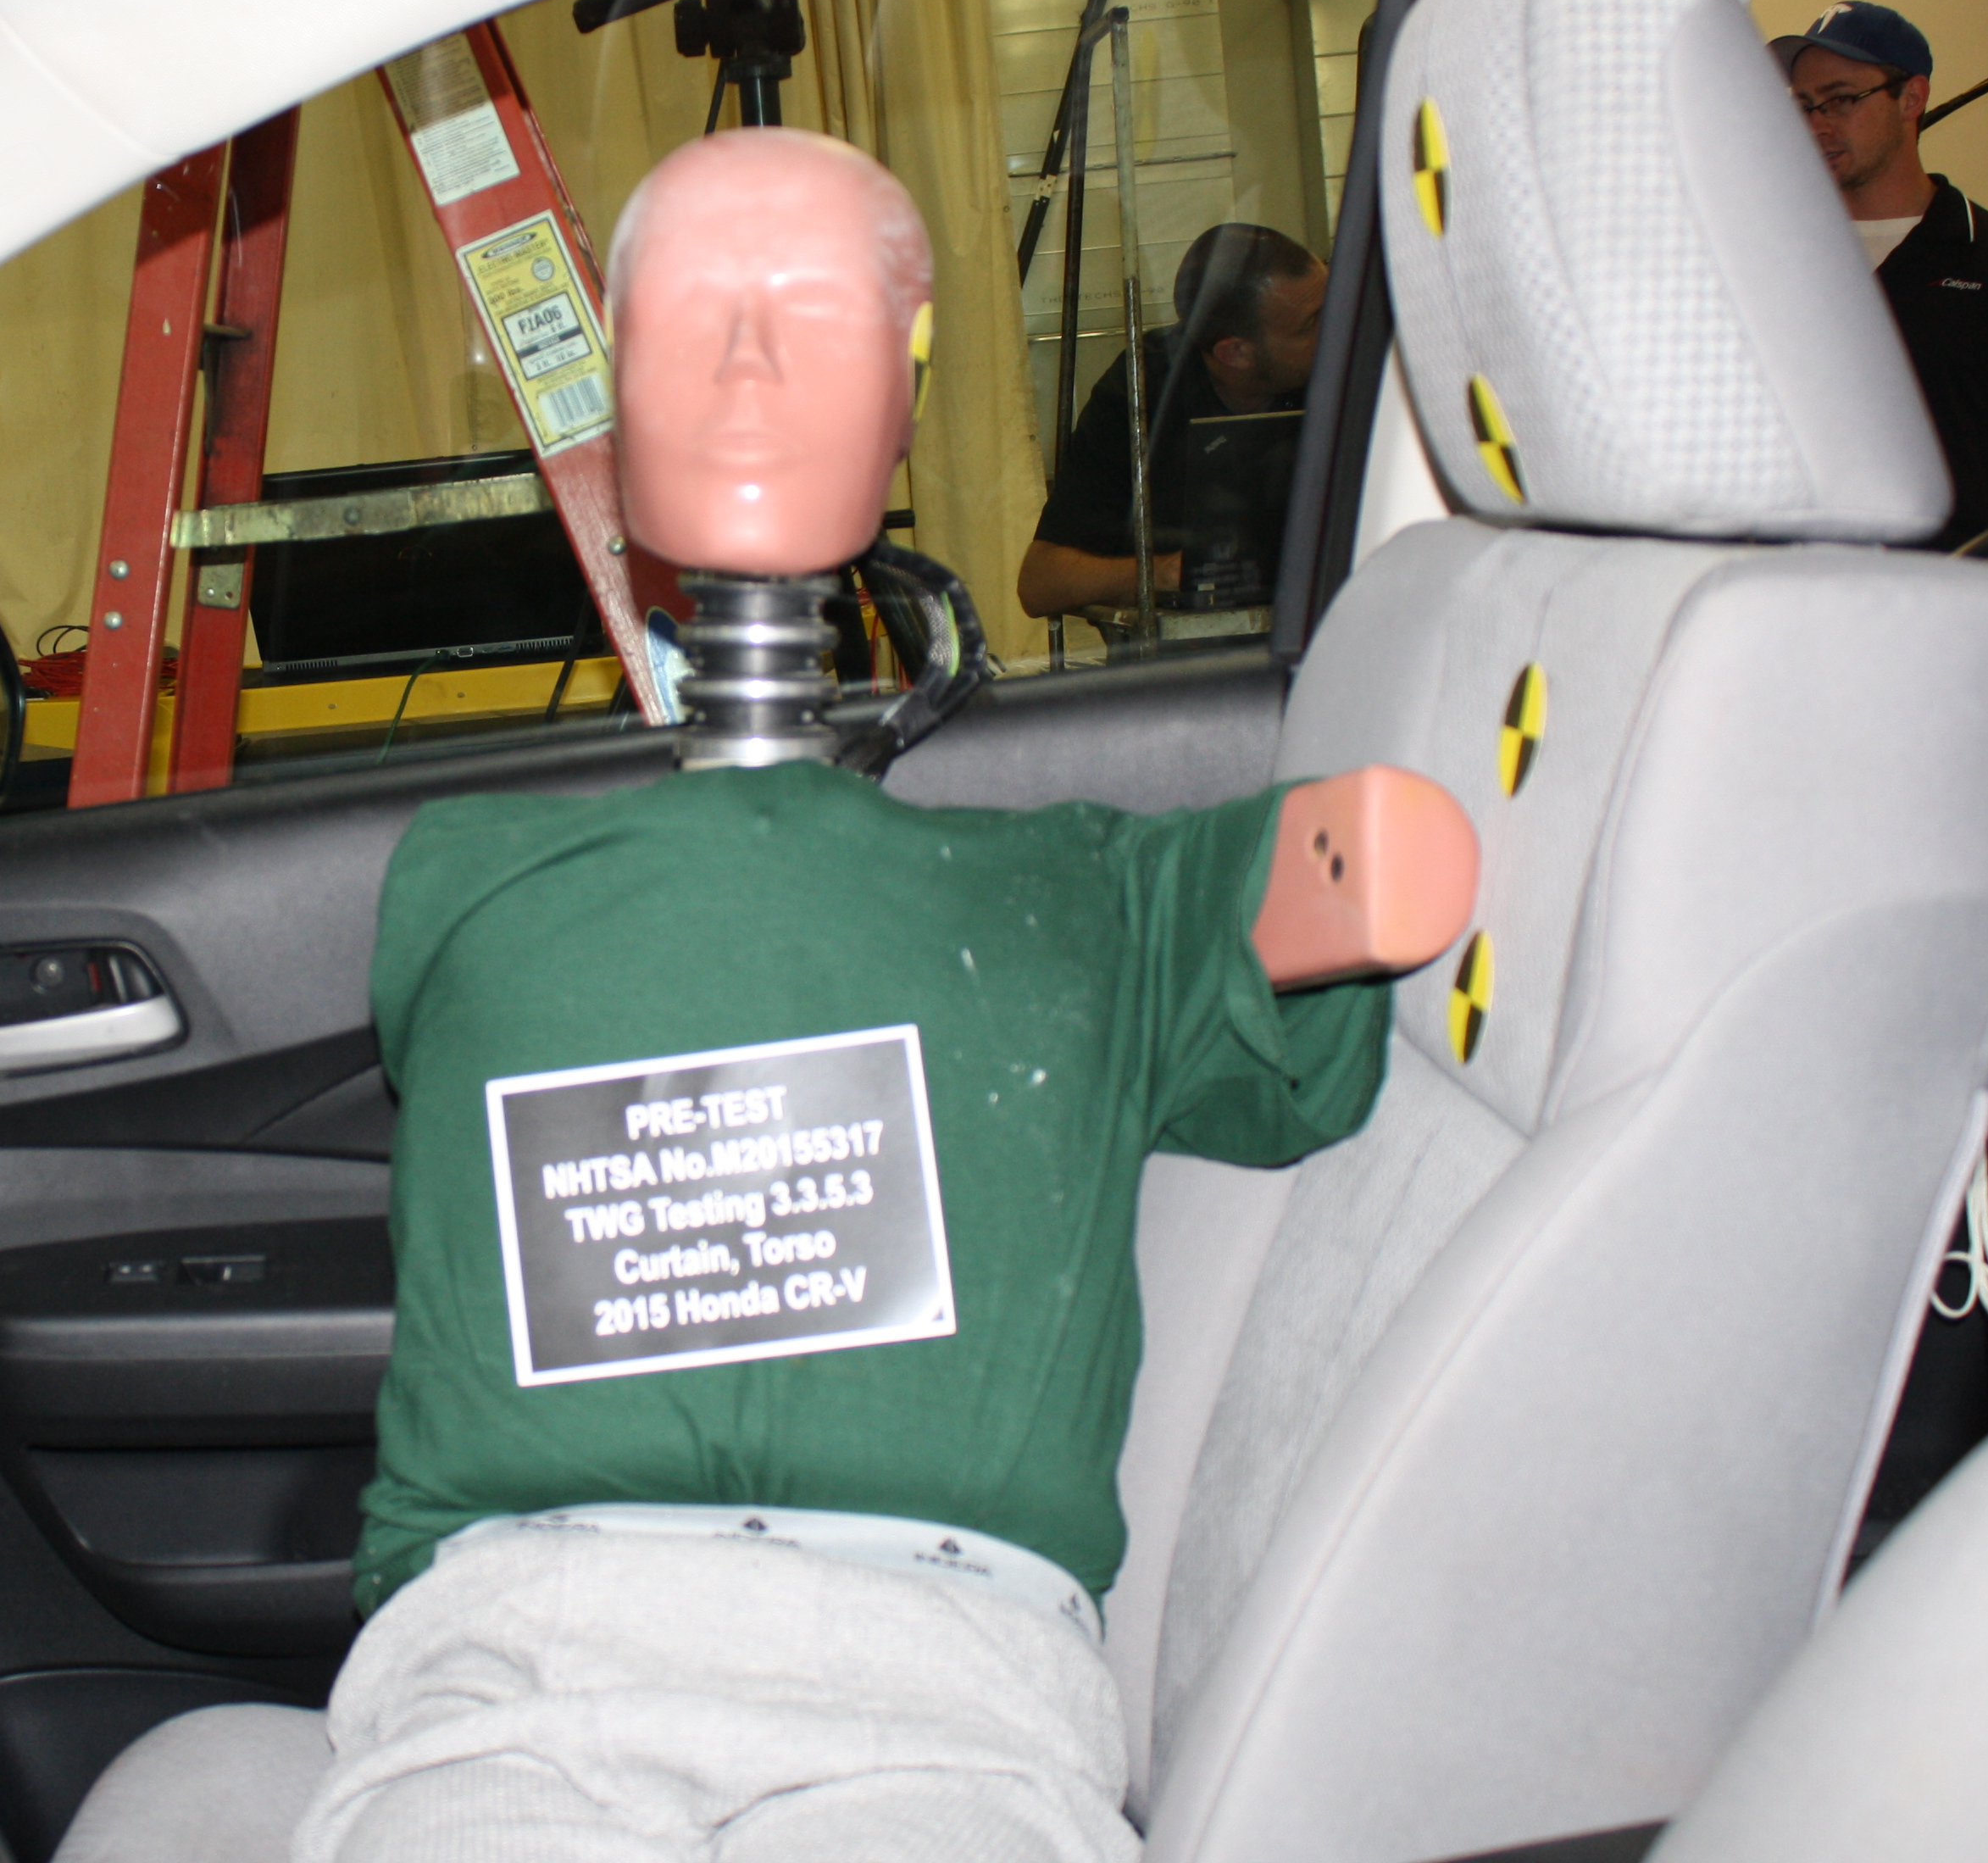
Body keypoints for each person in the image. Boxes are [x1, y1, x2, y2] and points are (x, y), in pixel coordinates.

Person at [289, 131, 1476, 1862]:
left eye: (807, 314)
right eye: (699, 314)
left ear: (910, 379)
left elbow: (1348, 878)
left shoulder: (1078, 900)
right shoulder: (480, 884)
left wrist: (1373, 853)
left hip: (935, 1688)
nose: (747, 365)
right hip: (519, 1664)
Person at [1774, 1, 1988, 545]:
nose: (1817, 125)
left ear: (1912, 98)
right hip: (1795, 586)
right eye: (1803, 105)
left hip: (1947, 585)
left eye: (1841, 100)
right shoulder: (1766, 259)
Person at [1016, 222, 1324, 620]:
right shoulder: (1144, 390)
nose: (1340, 325)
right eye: (1310, 325)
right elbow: (1041, 584)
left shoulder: (1355, 364)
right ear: (1235, 353)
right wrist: (1167, 573)